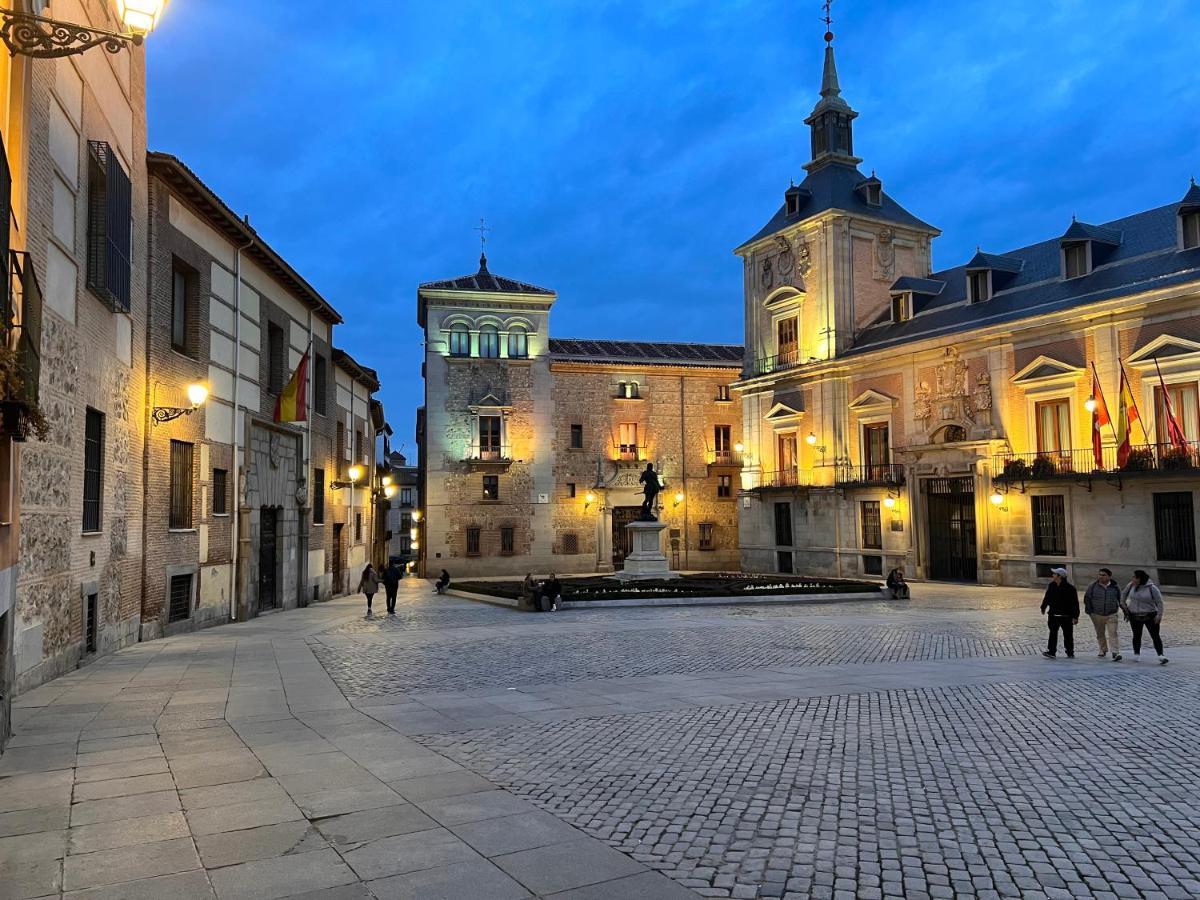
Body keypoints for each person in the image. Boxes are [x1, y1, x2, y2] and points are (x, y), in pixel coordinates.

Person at [1121, 569, 1168, 665]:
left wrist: (1159, 615)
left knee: (1155, 635)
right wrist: (1124, 606)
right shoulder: (1131, 585)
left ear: (1139, 579)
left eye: (1134, 577)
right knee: (1136, 635)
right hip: (1134, 614)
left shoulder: (1152, 588)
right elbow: (1123, 595)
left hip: (1150, 614)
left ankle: (1161, 655)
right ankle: (1136, 653)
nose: (1132, 579)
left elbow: (1159, 602)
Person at [1083, 567, 1122, 660]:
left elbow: (1120, 599)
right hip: (1097, 614)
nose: (1101, 577)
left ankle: (1115, 652)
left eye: (1103, 575)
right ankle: (1102, 649)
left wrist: (1125, 610)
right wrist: (1090, 611)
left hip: (1111, 614)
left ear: (1109, 576)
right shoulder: (1093, 586)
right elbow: (1087, 598)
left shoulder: (1115, 586)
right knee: (1100, 633)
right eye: (1099, 574)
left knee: (1113, 633)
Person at [1040, 567, 1079, 659]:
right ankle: (1051, 651)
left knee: (1068, 635)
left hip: (1066, 616)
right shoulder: (1052, 585)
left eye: (1054, 574)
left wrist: (1075, 616)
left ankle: (1070, 651)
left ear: (1059, 576)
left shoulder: (1070, 588)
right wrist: (1043, 607)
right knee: (1052, 633)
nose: (1052, 575)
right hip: (1053, 615)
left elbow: (1075, 603)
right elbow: (1047, 597)